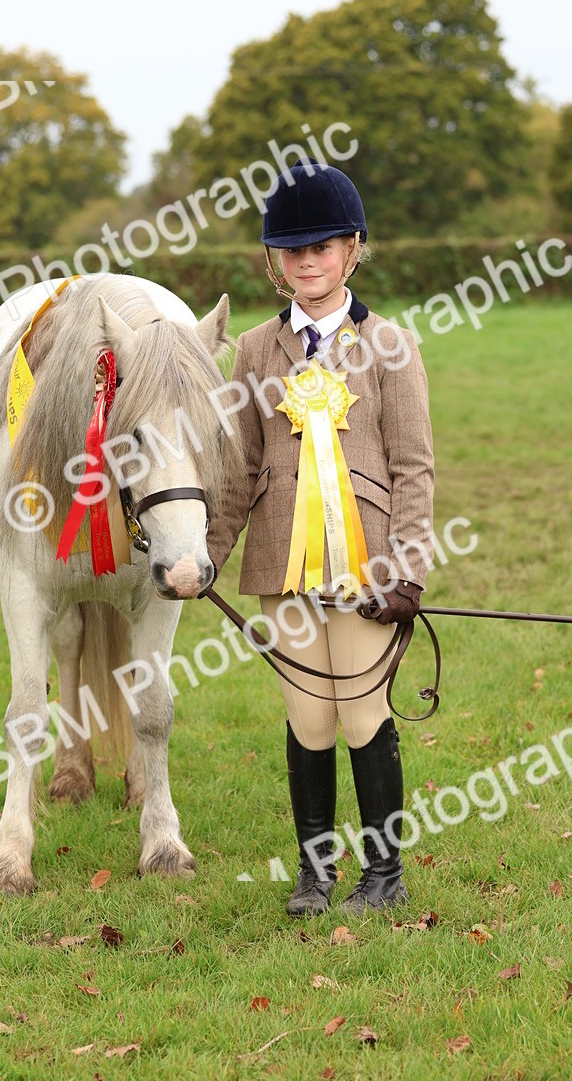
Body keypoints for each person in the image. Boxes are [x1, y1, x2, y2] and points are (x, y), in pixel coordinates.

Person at [206, 158, 434, 916]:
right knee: (308, 718)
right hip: (284, 564)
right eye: (293, 249)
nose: (309, 260)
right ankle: (315, 872)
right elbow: (240, 469)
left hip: (367, 569)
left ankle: (385, 875)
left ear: (353, 249)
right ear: (275, 261)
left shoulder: (391, 347)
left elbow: (414, 468)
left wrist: (406, 571)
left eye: (324, 246)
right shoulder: (253, 352)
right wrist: (206, 552)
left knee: (364, 713)